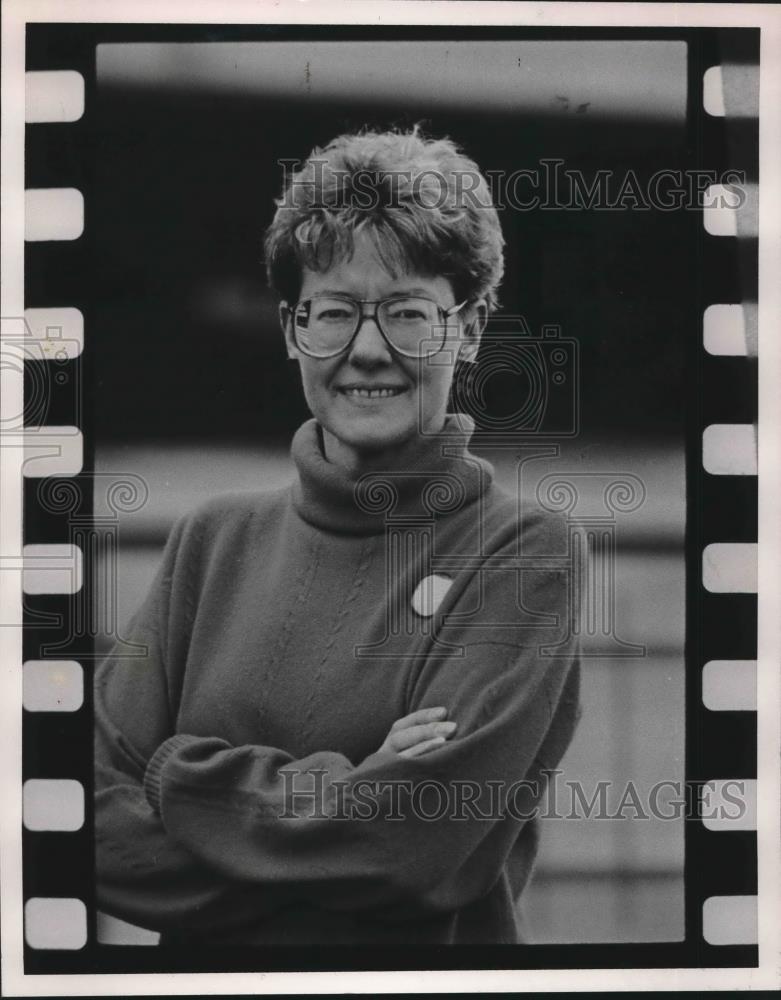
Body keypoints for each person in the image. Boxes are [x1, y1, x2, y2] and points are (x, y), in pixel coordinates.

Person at [94, 127, 581, 947]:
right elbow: (86, 820)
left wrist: (172, 772)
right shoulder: (212, 542)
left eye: (407, 313)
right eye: (333, 313)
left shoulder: (525, 552)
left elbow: (408, 848)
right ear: (291, 328)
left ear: (470, 327)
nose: (366, 350)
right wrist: (349, 792)